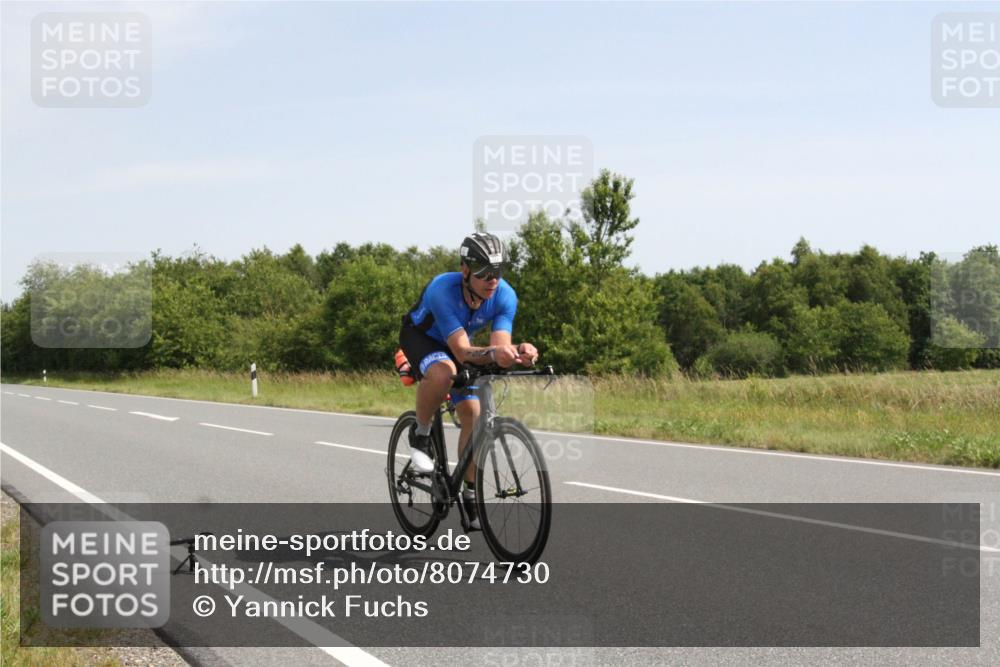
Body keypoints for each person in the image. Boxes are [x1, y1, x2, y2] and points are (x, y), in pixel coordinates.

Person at [398, 232, 538, 529]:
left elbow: (498, 346)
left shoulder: (504, 296)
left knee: (473, 415)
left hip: (459, 344)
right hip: (422, 339)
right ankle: (420, 434)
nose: (493, 280)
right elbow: (462, 351)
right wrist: (494, 353)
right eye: (485, 272)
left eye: (498, 272)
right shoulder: (442, 289)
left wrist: (515, 354)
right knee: (444, 372)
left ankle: (469, 491)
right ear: (465, 269)